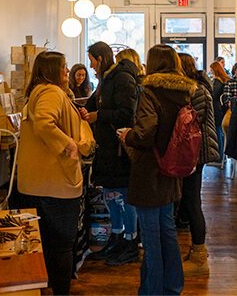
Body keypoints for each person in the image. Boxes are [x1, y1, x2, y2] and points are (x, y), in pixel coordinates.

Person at [118, 44, 195, 295]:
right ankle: (172, 287)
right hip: (172, 170)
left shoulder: (149, 92)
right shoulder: (185, 92)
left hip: (149, 170)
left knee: (151, 238)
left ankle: (152, 291)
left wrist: (128, 135)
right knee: (167, 232)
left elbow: (146, 133)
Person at [17, 51, 95, 295]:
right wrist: (68, 144)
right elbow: (44, 122)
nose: (67, 71)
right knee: (61, 245)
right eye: (63, 67)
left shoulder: (39, 93)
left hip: (39, 182)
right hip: (55, 183)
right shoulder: (51, 92)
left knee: (47, 245)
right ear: (52, 71)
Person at [85, 42, 140, 266]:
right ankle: (116, 238)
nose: (90, 65)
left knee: (123, 197)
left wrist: (99, 116)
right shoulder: (106, 79)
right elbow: (94, 104)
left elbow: (127, 112)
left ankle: (130, 243)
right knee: (111, 196)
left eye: (92, 59)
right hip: (108, 149)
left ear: (100, 58)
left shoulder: (121, 78)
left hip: (119, 151)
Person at [177, 53, 219, 276]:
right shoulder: (199, 86)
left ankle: (199, 255)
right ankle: (195, 251)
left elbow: (193, 124)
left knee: (192, 201)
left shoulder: (196, 90)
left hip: (195, 152)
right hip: (195, 151)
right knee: (191, 199)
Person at [208, 61, 229, 161]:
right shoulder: (223, 80)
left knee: (217, 131)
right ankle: (221, 156)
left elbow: (213, 95)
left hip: (216, 109)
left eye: (212, 69)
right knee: (219, 131)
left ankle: (219, 156)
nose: (211, 71)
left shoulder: (217, 82)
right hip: (220, 109)